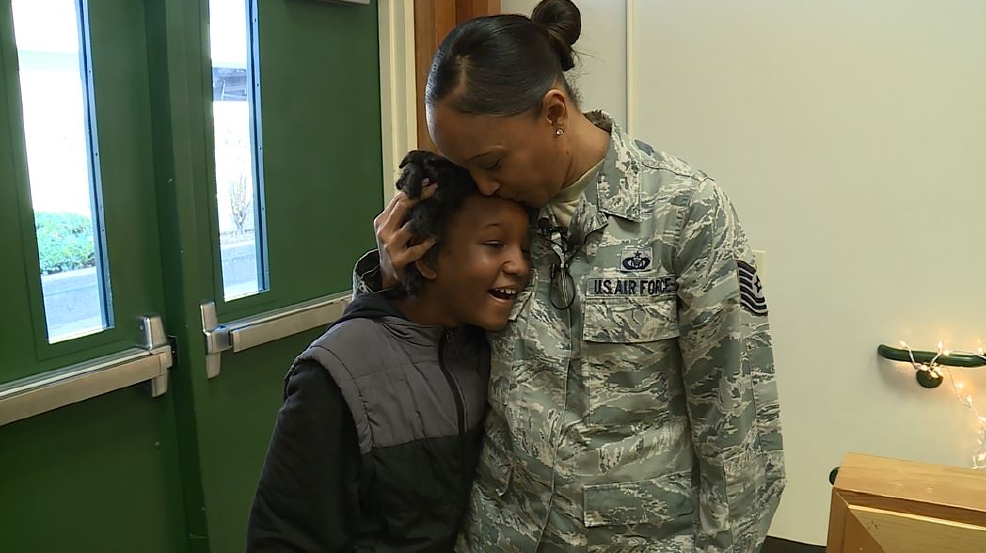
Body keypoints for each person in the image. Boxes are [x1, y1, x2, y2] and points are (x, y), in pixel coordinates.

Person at [361, 1, 786, 551]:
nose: (484, 186)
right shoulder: (477, 212)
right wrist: (392, 282)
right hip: (500, 534)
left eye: (492, 164)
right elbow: (420, 357)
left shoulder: (685, 212)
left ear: (555, 112)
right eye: (466, 169)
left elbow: (738, 428)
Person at [247, 150, 532, 552]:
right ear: (426, 256)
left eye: (524, 247)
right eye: (494, 243)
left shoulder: (494, 347)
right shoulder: (337, 374)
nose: (519, 265)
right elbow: (286, 538)